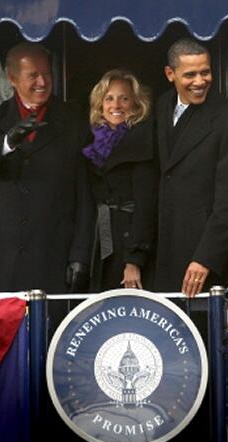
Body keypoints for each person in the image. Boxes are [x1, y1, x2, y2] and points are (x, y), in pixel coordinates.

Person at [0, 42, 93, 293]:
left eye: (46, 74)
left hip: (54, 254)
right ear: (12, 78)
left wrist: (80, 255)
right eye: (33, 75)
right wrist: (8, 141)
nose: (42, 82)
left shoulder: (74, 118)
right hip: (3, 258)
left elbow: (85, 191)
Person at [154, 38, 228, 297]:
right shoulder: (162, 106)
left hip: (203, 261)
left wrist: (206, 258)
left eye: (205, 72)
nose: (199, 81)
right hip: (164, 251)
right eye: (190, 74)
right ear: (170, 74)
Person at [82, 69, 158, 291]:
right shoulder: (92, 144)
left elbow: (147, 205)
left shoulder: (143, 142)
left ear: (136, 104)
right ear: (100, 104)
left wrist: (133, 261)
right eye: (109, 98)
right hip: (102, 242)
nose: (116, 105)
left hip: (130, 248)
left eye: (124, 98)